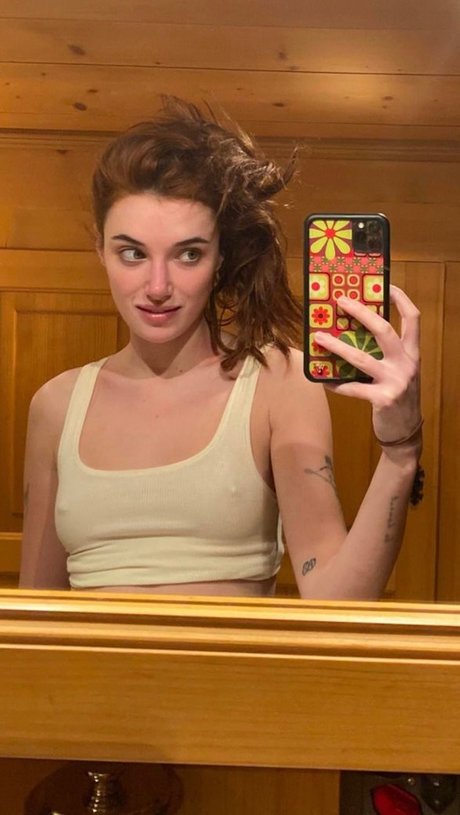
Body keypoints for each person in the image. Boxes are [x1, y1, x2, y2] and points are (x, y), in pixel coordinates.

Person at [19, 97, 422, 599]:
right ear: (100, 250)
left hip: (233, 656)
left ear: (220, 258)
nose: (158, 286)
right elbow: (35, 612)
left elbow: (336, 601)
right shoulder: (56, 406)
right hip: (84, 657)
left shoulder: (278, 383)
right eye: (132, 253)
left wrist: (401, 451)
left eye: (188, 254)